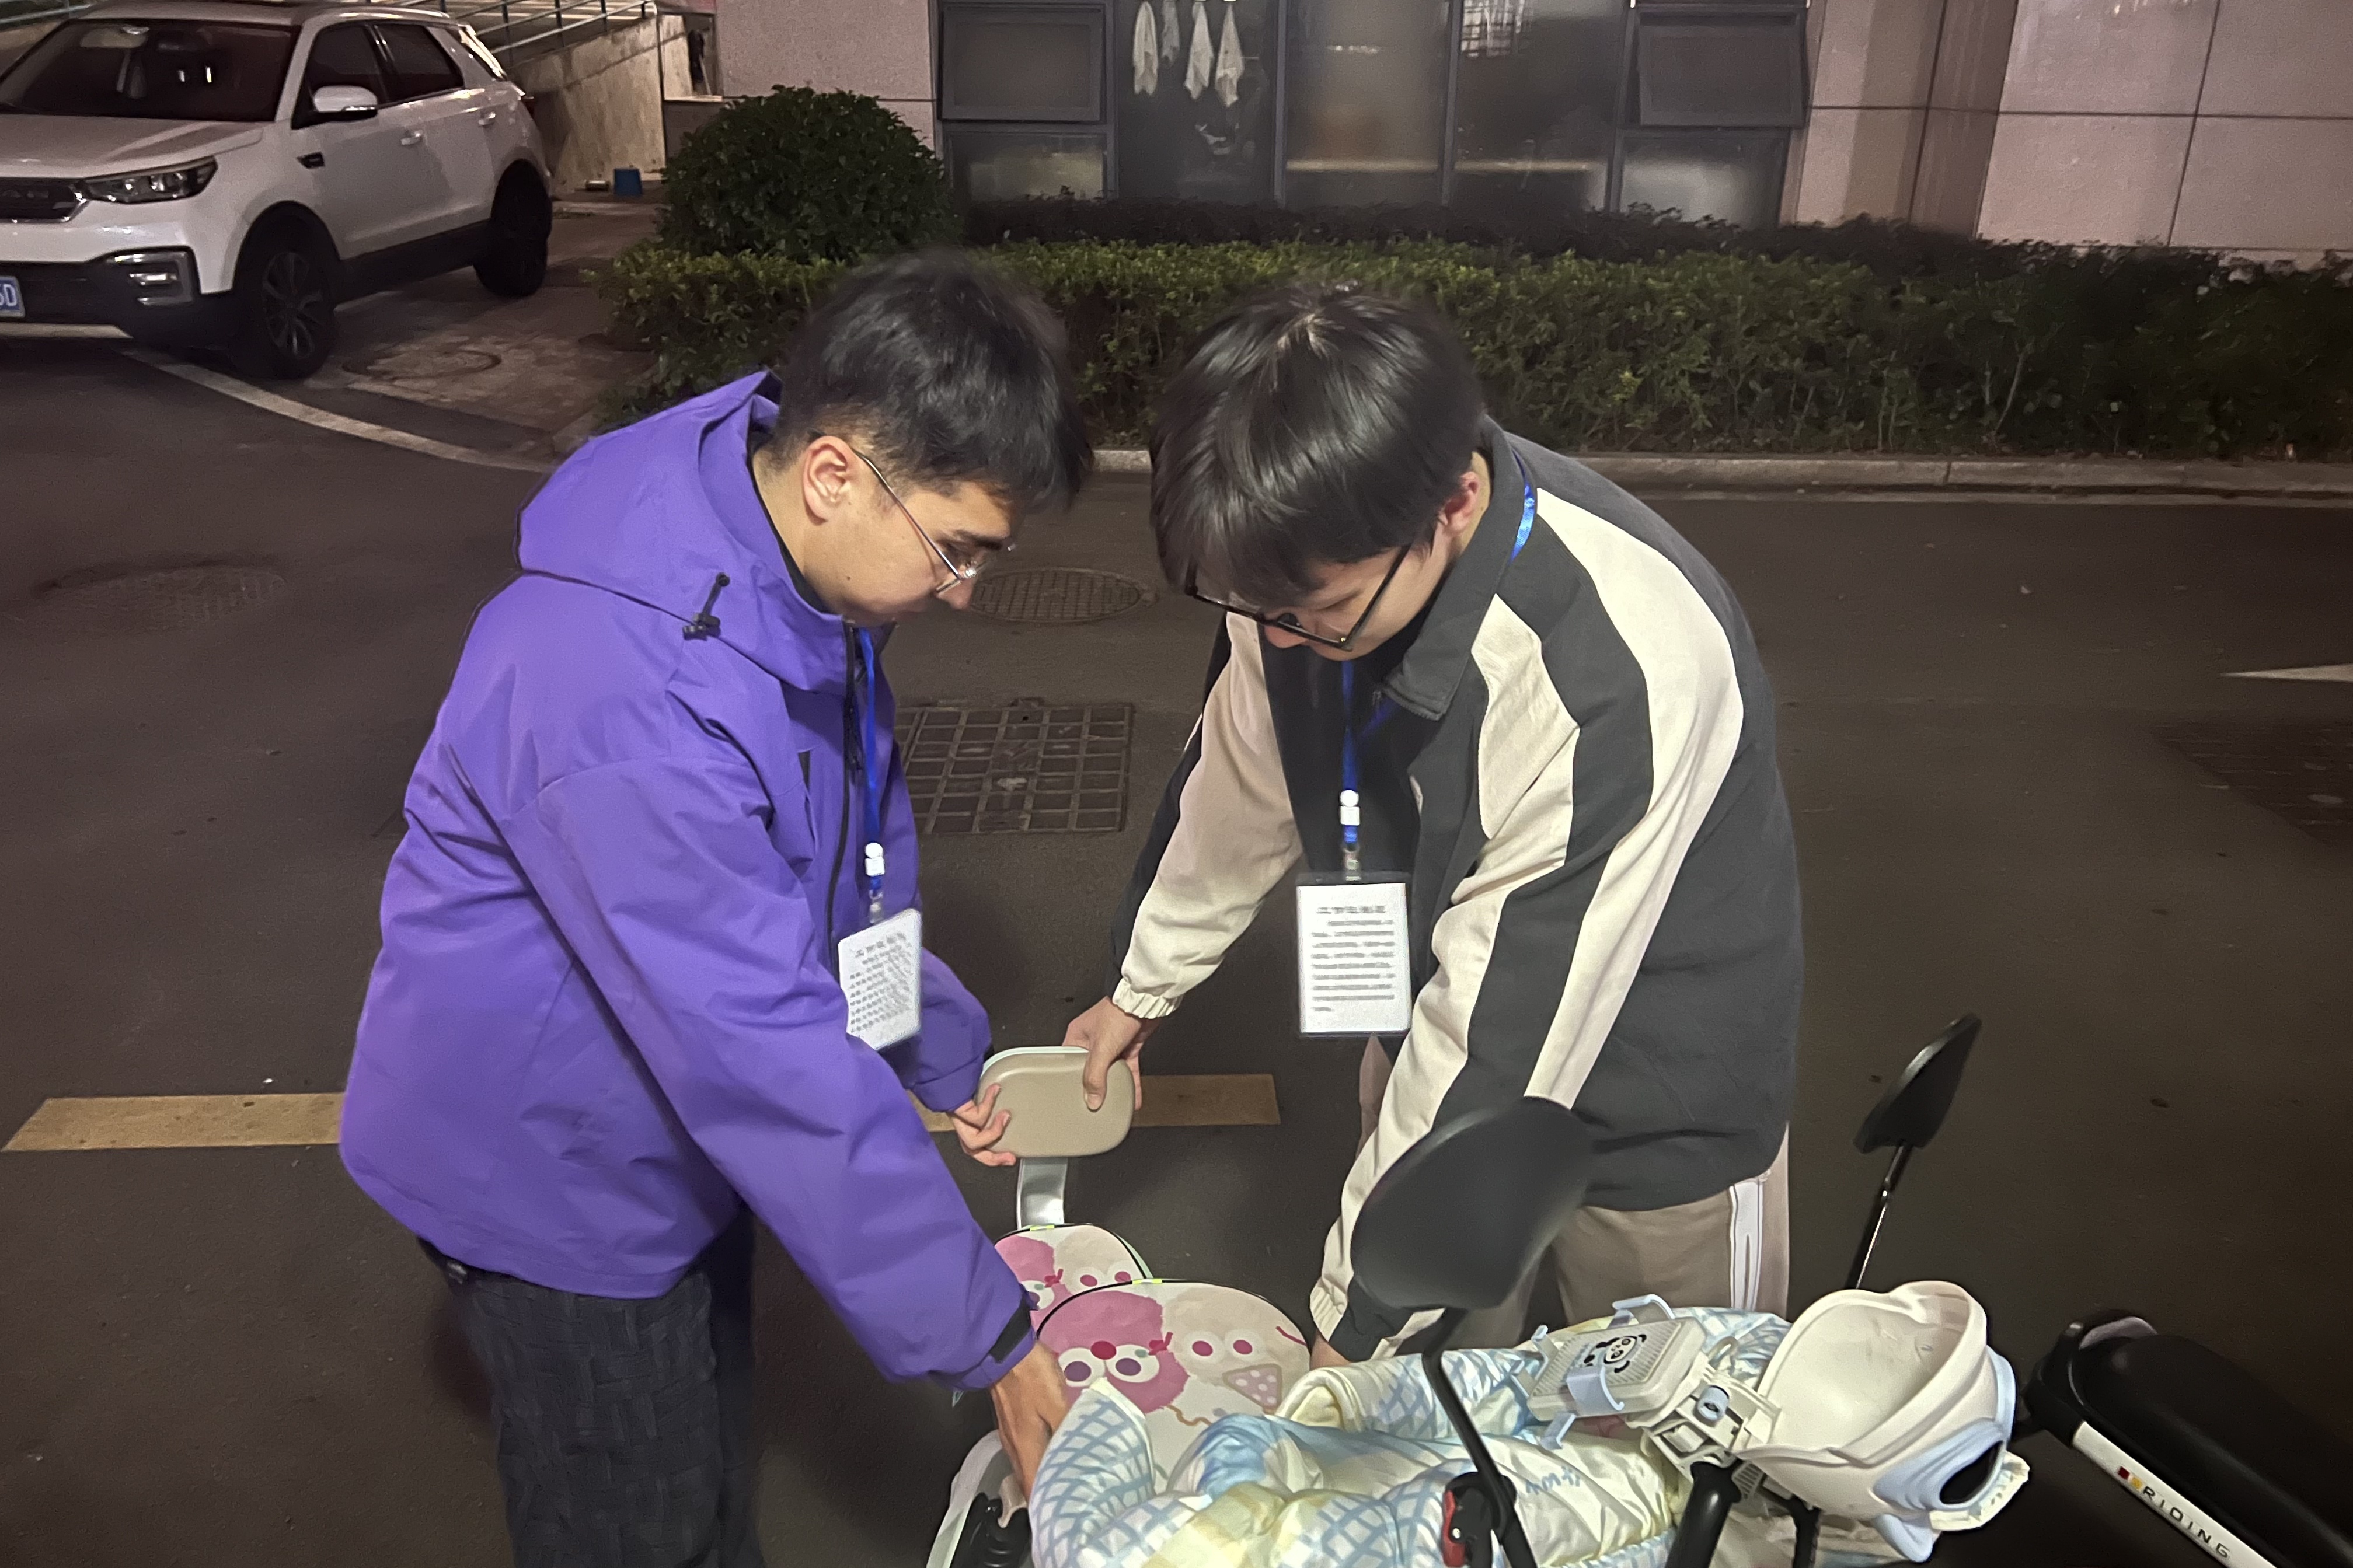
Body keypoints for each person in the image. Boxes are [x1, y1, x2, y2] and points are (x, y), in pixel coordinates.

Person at [340, 251, 1089, 1567]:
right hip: (556, 1174)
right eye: (956, 550)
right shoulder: (626, 690)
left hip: (666, 1124)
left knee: (702, 1456)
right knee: (645, 1520)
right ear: (836, 472)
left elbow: (846, 869)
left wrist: (940, 1046)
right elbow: (764, 1048)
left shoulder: (795, 574)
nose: (967, 590)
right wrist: (993, 1338)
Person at [1058, 284, 1803, 1365]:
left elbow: (1496, 1042)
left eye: (1321, 614)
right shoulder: (1305, 559)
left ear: (1453, 504)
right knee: (1436, 1408)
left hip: (1654, 1107)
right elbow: (1240, 781)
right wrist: (1143, 987)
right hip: (1440, 1031)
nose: (1282, 642)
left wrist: (1351, 1328)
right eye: (1259, 612)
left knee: (1661, 1421)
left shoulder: (1611, 674)